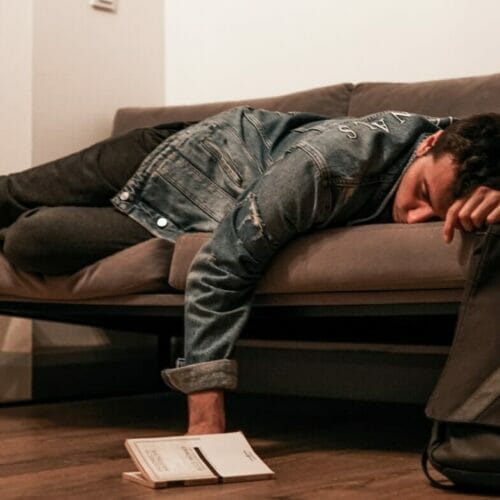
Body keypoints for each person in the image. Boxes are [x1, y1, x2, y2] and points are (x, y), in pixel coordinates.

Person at [1, 107, 500, 434]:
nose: (417, 221)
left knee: (30, 240)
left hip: (185, 213)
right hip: (173, 154)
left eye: (438, 217)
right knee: (12, 195)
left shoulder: (465, 141)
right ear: (427, 145)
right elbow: (221, 267)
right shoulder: (327, 165)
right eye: (423, 198)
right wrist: (205, 414)